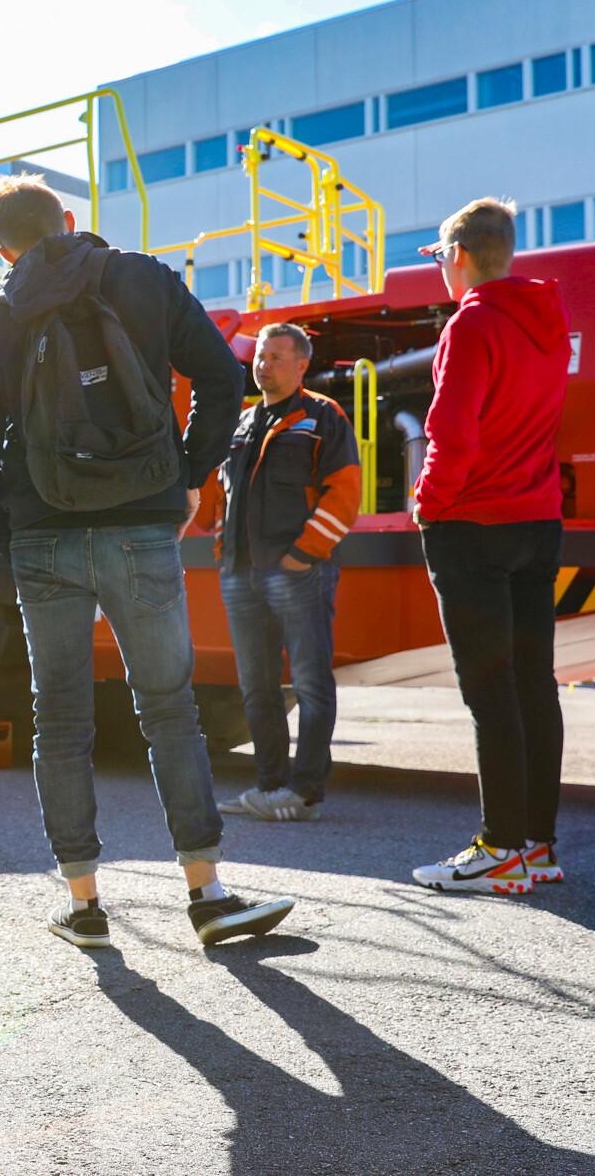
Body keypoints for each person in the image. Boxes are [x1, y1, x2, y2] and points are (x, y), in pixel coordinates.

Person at [0, 174, 294, 949]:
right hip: (142, 522)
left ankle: (83, 905)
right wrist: (187, 482)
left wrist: (12, 535)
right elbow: (221, 378)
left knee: (61, 715)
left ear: (3, 248)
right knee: (168, 705)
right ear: (70, 221)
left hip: (43, 532)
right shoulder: (141, 277)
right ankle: (208, 893)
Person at [410, 197, 571, 895]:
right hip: (538, 522)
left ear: (460, 254)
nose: (442, 270)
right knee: (535, 683)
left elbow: (453, 431)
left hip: (473, 523)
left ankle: (498, 847)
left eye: (443, 257)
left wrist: (427, 505)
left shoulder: (471, 323)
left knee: (489, 689)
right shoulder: (548, 322)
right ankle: (536, 846)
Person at [193, 322, 360, 822]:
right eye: (260, 357)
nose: (263, 365)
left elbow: (346, 494)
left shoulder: (322, 416)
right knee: (257, 686)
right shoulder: (242, 424)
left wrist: (302, 555)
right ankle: (269, 787)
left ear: (301, 365)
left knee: (310, 684)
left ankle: (304, 792)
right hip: (241, 576)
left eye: (275, 358)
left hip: (297, 574)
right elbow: (217, 501)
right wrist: (224, 549)